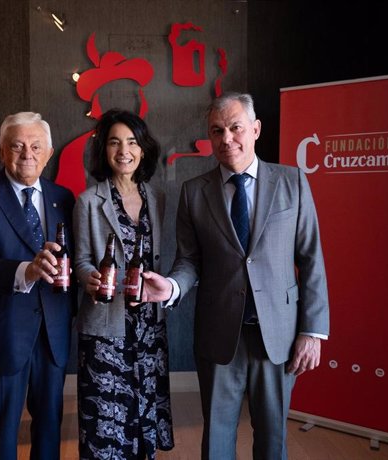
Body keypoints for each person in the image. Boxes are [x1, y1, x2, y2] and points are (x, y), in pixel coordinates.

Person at [141, 92, 329, 459]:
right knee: (217, 437)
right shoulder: (194, 192)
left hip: (278, 335)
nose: (227, 138)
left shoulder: (292, 182)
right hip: (218, 333)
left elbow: (311, 259)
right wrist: (172, 286)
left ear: (255, 129)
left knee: (273, 439)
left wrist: (313, 330)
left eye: (235, 127)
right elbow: (190, 260)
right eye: (217, 130)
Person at [0, 112, 76, 460]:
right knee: (1, 428)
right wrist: (27, 270)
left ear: (49, 152)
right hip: (2, 331)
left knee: (50, 424)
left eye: (36, 146)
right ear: (1, 150)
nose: (27, 154)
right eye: (17, 145)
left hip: (52, 332)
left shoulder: (63, 198)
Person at [73, 109, 174, 459]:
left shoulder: (157, 198)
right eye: (114, 142)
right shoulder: (88, 201)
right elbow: (81, 261)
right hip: (105, 325)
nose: (123, 150)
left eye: (132, 142)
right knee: (106, 421)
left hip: (149, 325)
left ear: (144, 149)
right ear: (104, 150)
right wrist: (91, 278)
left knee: (144, 414)